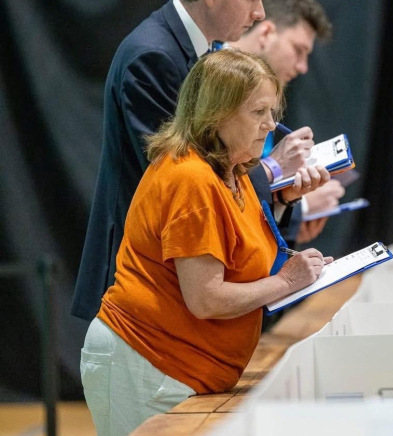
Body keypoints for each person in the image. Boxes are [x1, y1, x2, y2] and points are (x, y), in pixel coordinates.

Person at [73, 0, 329, 322]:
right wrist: (273, 169)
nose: (260, 13)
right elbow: (181, 175)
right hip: (138, 281)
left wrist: (281, 194)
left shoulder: (197, 51)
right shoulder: (153, 56)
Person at [80, 50, 332, 436]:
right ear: (217, 114)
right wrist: (286, 282)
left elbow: (242, 255)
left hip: (179, 366)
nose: (271, 125)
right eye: (258, 113)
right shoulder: (191, 179)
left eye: (272, 112)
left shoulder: (234, 171)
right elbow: (206, 299)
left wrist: (287, 215)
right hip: (145, 360)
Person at [229, 0, 345, 244]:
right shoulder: (212, 84)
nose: (303, 67)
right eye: (298, 50)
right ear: (268, 32)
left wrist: (287, 207)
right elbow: (210, 186)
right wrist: (275, 167)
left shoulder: (261, 90)